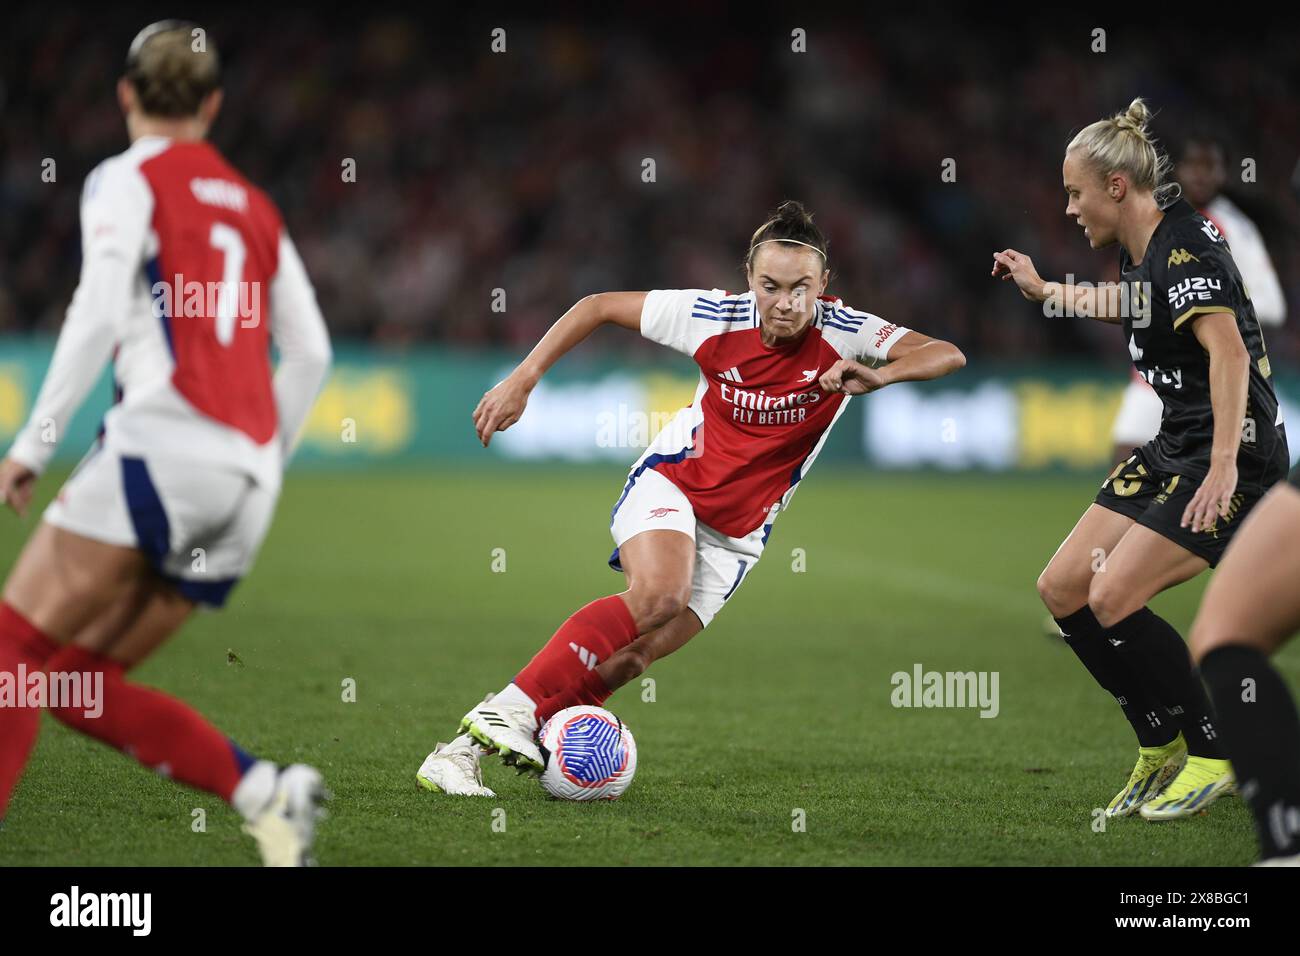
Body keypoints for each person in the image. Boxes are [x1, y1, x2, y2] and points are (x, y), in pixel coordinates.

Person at [417, 200, 966, 795]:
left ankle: (460, 752)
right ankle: (514, 714)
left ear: (824, 284)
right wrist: (522, 378)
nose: (785, 302)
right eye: (770, 286)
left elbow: (946, 352)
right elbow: (597, 306)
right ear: (748, 280)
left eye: (801, 288)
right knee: (658, 596)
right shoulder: (712, 316)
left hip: (738, 536)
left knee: (632, 660)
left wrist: (881, 375)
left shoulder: (848, 333)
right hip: (673, 484)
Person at [0, 21, 333, 865]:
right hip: (246, 484)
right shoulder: (255, 205)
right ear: (213, 105)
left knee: (12, 649)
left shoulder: (125, 178)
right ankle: (269, 793)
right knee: (76, 683)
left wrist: (34, 443)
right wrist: (260, 460)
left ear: (124, 95)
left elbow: (99, 309)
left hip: (162, 447)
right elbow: (313, 352)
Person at [992, 98, 1287, 821]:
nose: (1068, 208)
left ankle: (1216, 751)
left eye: (1074, 192)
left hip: (1232, 453)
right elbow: (1135, 304)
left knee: (1114, 596)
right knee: (1063, 589)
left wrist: (1221, 465)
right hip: (1175, 443)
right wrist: (1044, 290)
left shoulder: (1187, 244)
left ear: (1116, 187)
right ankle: (1157, 737)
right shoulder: (1144, 247)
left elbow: (1227, 351)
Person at [1108, 132, 1287, 465]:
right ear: (1177, 168)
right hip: (1156, 372)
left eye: (1212, 166)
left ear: (1224, 173)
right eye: (1194, 164)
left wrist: (1205, 305)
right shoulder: (1153, 217)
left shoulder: (1235, 227)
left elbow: (1273, 306)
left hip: (1206, 375)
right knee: (1124, 459)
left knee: (1200, 480)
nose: (1202, 174)